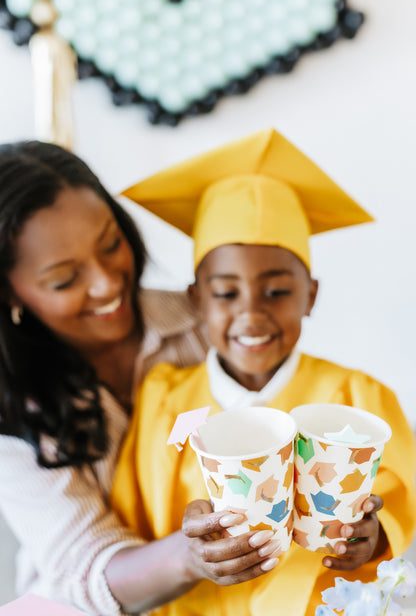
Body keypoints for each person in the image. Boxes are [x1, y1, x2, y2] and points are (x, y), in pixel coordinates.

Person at [111, 128, 416, 616]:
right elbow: (134, 510)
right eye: (226, 293)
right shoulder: (169, 402)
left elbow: (400, 496)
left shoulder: (357, 395)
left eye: (276, 292)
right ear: (196, 300)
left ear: (310, 296)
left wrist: (373, 537)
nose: (251, 315)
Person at [0, 141, 279, 616]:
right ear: (11, 293)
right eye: (65, 280)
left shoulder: (207, 323)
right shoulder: (14, 407)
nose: (108, 283)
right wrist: (191, 555)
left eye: (111, 244)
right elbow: (82, 566)